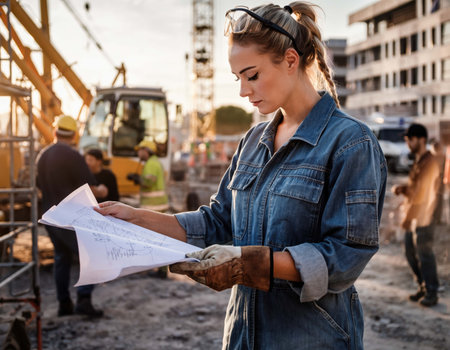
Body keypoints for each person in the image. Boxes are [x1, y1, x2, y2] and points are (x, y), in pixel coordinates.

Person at [96, 3, 387, 349]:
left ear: (291, 61)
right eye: (238, 78)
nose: (243, 91)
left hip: (309, 338)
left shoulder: (350, 143)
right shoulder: (252, 142)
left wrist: (251, 263)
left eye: (252, 75)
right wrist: (138, 218)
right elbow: (218, 222)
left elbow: (344, 258)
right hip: (243, 336)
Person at [37, 115, 106, 318]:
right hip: (72, 217)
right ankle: (84, 300)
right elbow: (92, 189)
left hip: (50, 216)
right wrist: (103, 189)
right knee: (93, 254)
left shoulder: (42, 156)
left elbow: (40, 187)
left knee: (62, 258)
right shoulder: (72, 155)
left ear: (55, 131)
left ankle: (64, 304)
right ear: (75, 134)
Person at [392, 123, 440, 307]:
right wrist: (403, 189)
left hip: (425, 216)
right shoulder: (420, 160)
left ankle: (432, 291)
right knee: (411, 253)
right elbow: (415, 189)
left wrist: (408, 218)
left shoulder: (430, 162)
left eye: (409, 139)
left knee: (424, 254)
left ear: (421, 139)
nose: (407, 144)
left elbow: (422, 194)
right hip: (414, 215)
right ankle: (423, 287)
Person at [127, 140, 169, 212]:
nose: (138, 153)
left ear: (146, 150)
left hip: (153, 206)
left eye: (139, 150)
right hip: (156, 205)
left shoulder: (151, 163)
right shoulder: (154, 161)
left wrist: (138, 179)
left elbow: (149, 182)